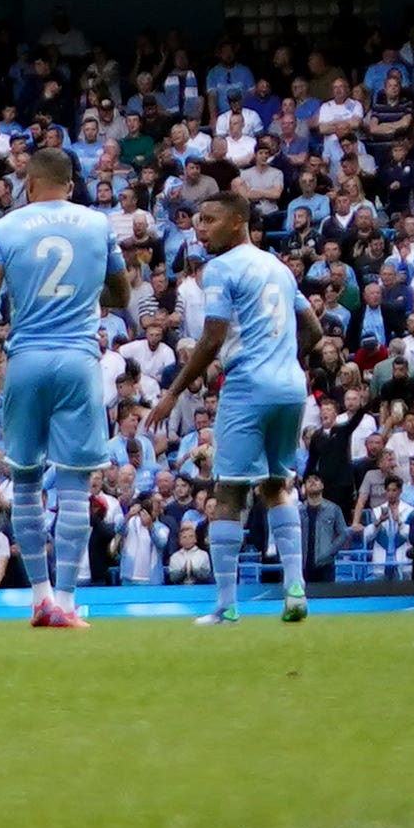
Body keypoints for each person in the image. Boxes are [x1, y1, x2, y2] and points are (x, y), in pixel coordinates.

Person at [0, 145, 121, 629]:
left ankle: (40, 599)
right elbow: (121, 293)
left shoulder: (2, 229)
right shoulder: (97, 225)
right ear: (72, 185)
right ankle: (70, 603)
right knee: (75, 486)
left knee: (28, 483)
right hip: (78, 359)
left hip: (26, 359)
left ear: (28, 185)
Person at [169, 192, 315, 626]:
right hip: (290, 387)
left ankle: (226, 606)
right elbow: (312, 328)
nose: (202, 228)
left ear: (237, 223)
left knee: (229, 491)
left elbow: (212, 337)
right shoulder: (279, 268)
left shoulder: (222, 268)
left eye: (210, 220)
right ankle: (295, 589)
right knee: (276, 485)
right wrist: (283, 359)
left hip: (248, 385)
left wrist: (174, 391)